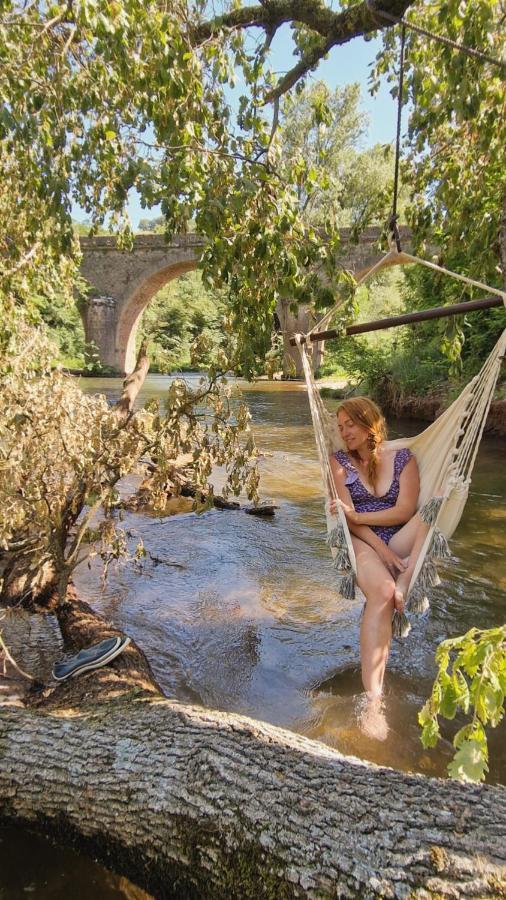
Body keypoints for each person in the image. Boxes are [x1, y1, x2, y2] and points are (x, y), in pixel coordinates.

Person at [329, 397, 429, 708]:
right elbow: (346, 520)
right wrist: (379, 546)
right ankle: (373, 700)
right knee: (383, 593)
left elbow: (405, 511)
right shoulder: (338, 463)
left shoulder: (403, 458)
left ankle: (406, 580)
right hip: (362, 540)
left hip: (399, 535)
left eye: (351, 424)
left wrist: (360, 515)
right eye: (340, 427)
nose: (344, 432)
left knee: (437, 505)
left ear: (369, 421)